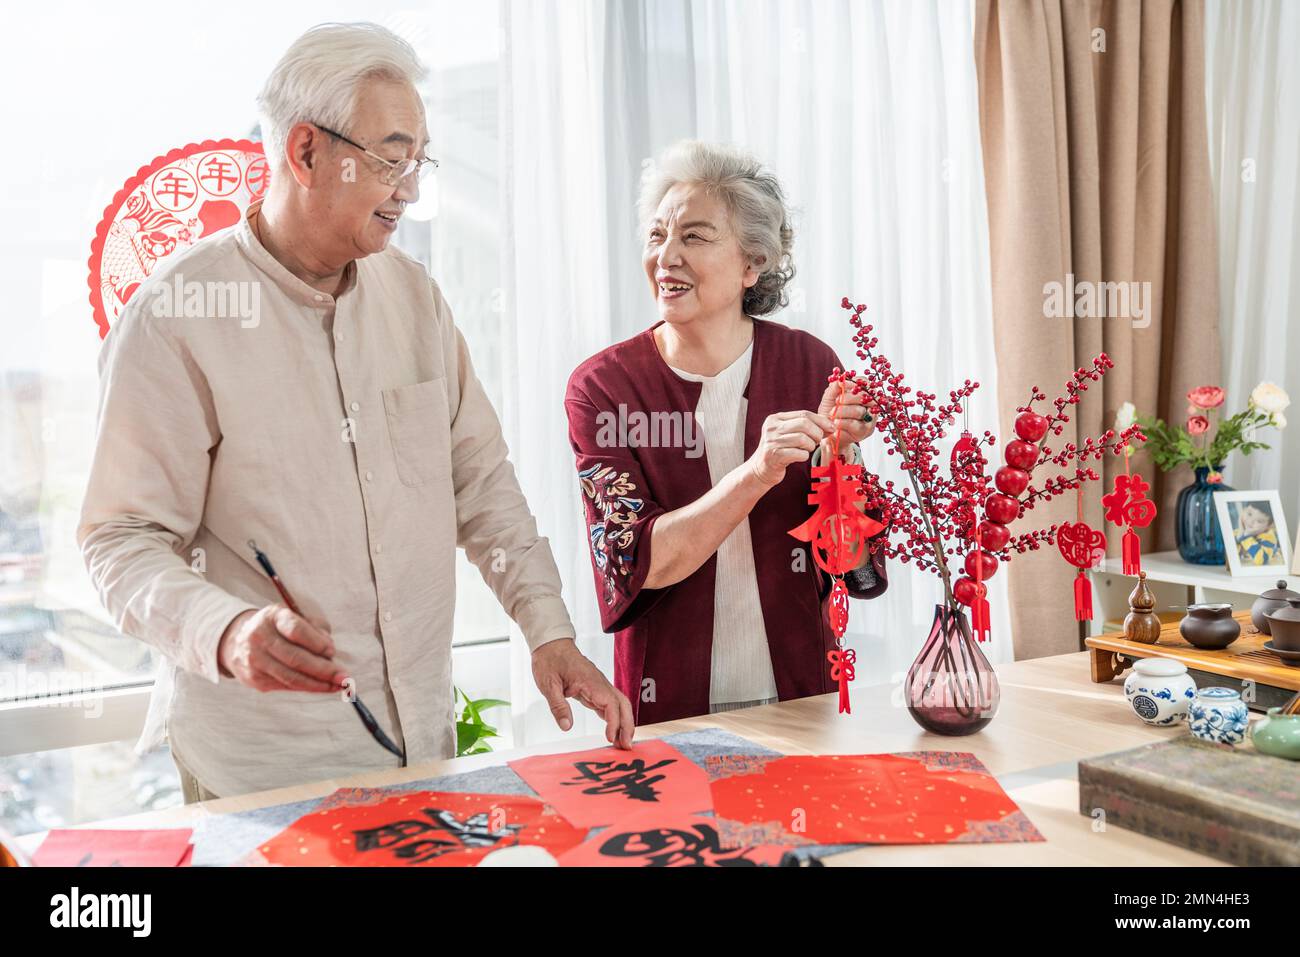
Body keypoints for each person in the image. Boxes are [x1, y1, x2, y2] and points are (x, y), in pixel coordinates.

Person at [78, 22, 632, 802]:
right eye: (390, 159)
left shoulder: (415, 300)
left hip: (423, 753)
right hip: (263, 772)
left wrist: (548, 629)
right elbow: (120, 542)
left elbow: (483, 485)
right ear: (305, 152)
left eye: (418, 161)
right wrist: (226, 633)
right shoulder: (176, 318)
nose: (410, 188)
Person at [565, 140, 887, 725]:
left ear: (751, 263)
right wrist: (759, 472)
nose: (667, 256)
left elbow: (849, 563)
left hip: (802, 696)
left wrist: (839, 467)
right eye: (657, 235)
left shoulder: (810, 366)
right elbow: (639, 562)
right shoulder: (605, 389)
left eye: (694, 236)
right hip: (671, 709)